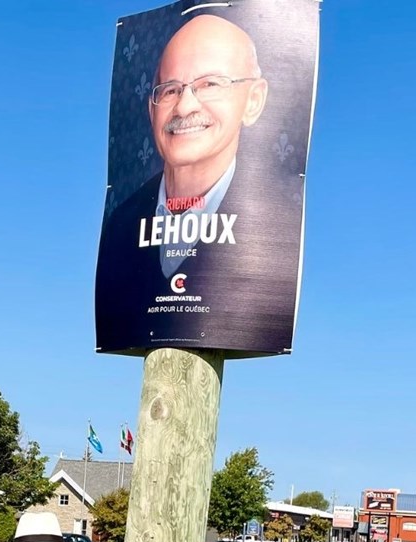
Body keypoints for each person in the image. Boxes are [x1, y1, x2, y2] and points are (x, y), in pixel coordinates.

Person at [95, 13, 301, 356]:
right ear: (151, 109)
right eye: (171, 89)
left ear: (254, 100)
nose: (185, 105)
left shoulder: (276, 230)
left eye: (210, 83)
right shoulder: (120, 227)